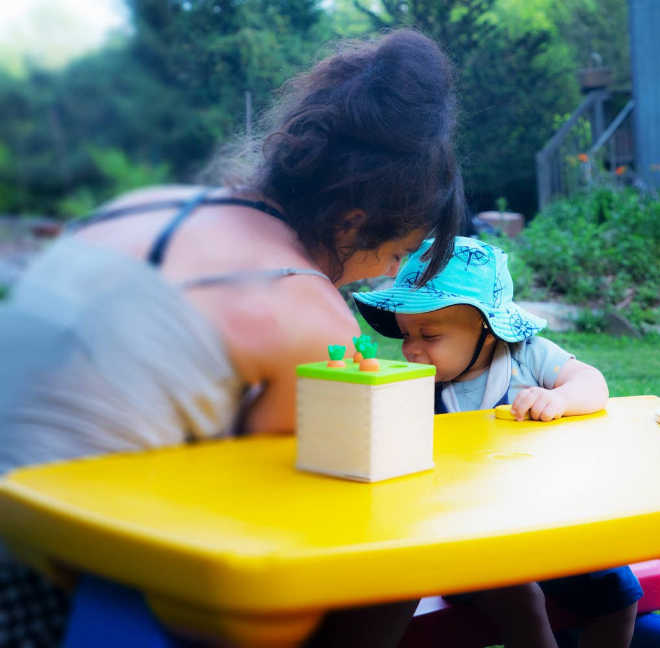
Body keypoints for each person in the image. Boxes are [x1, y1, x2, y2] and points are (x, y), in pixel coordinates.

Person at [0, 29, 464, 648]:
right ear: (353, 222)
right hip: (60, 598)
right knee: (391, 544)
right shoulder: (306, 305)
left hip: (22, 524)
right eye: (398, 252)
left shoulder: (146, 206)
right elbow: (280, 510)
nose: (388, 272)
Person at [353, 237, 642, 648]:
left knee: (619, 593)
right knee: (522, 601)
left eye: (429, 335)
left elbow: (592, 383)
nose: (411, 349)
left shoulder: (529, 357)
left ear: (487, 330)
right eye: (404, 334)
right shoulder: (415, 387)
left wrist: (560, 399)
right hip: (466, 540)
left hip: (548, 527)